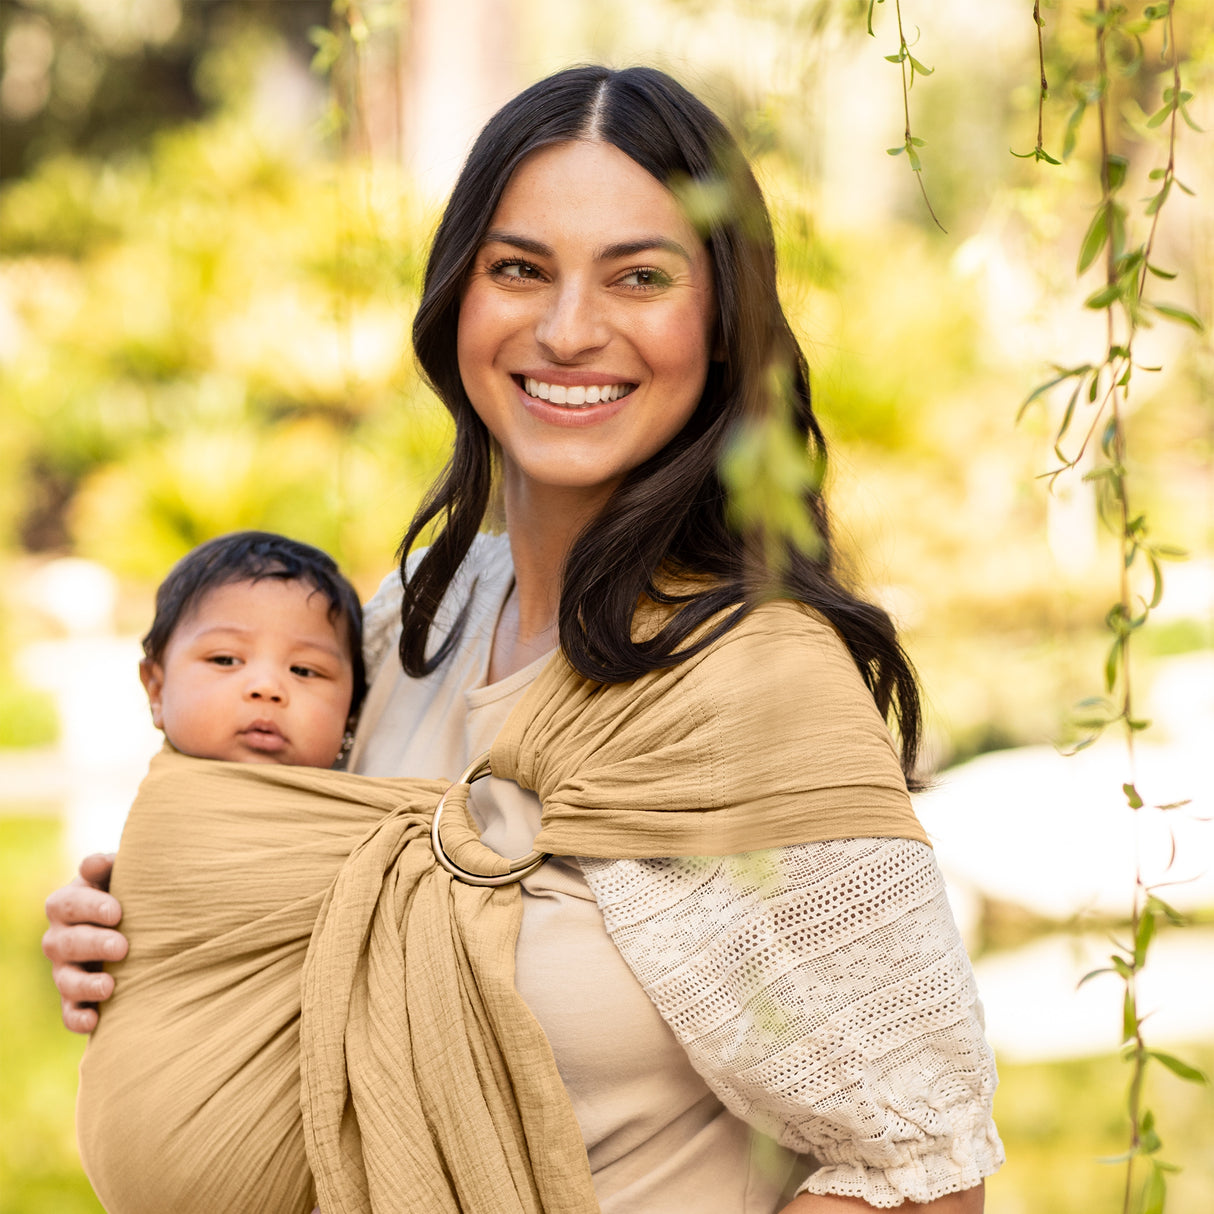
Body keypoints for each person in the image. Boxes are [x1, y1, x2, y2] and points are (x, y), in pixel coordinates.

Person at [45, 65, 1002, 1213]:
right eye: (519, 269)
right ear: (458, 299)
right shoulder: (411, 621)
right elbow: (339, 943)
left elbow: (920, 1168)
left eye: (638, 276)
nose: (566, 329)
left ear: (721, 322)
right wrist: (155, 927)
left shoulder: (755, 684)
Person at [135, 529, 365, 769]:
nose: (266, 687)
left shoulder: (382, 803)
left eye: (303, 671)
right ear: (157, 690)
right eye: (225, 660)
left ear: (351, 715)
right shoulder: (163, 801)